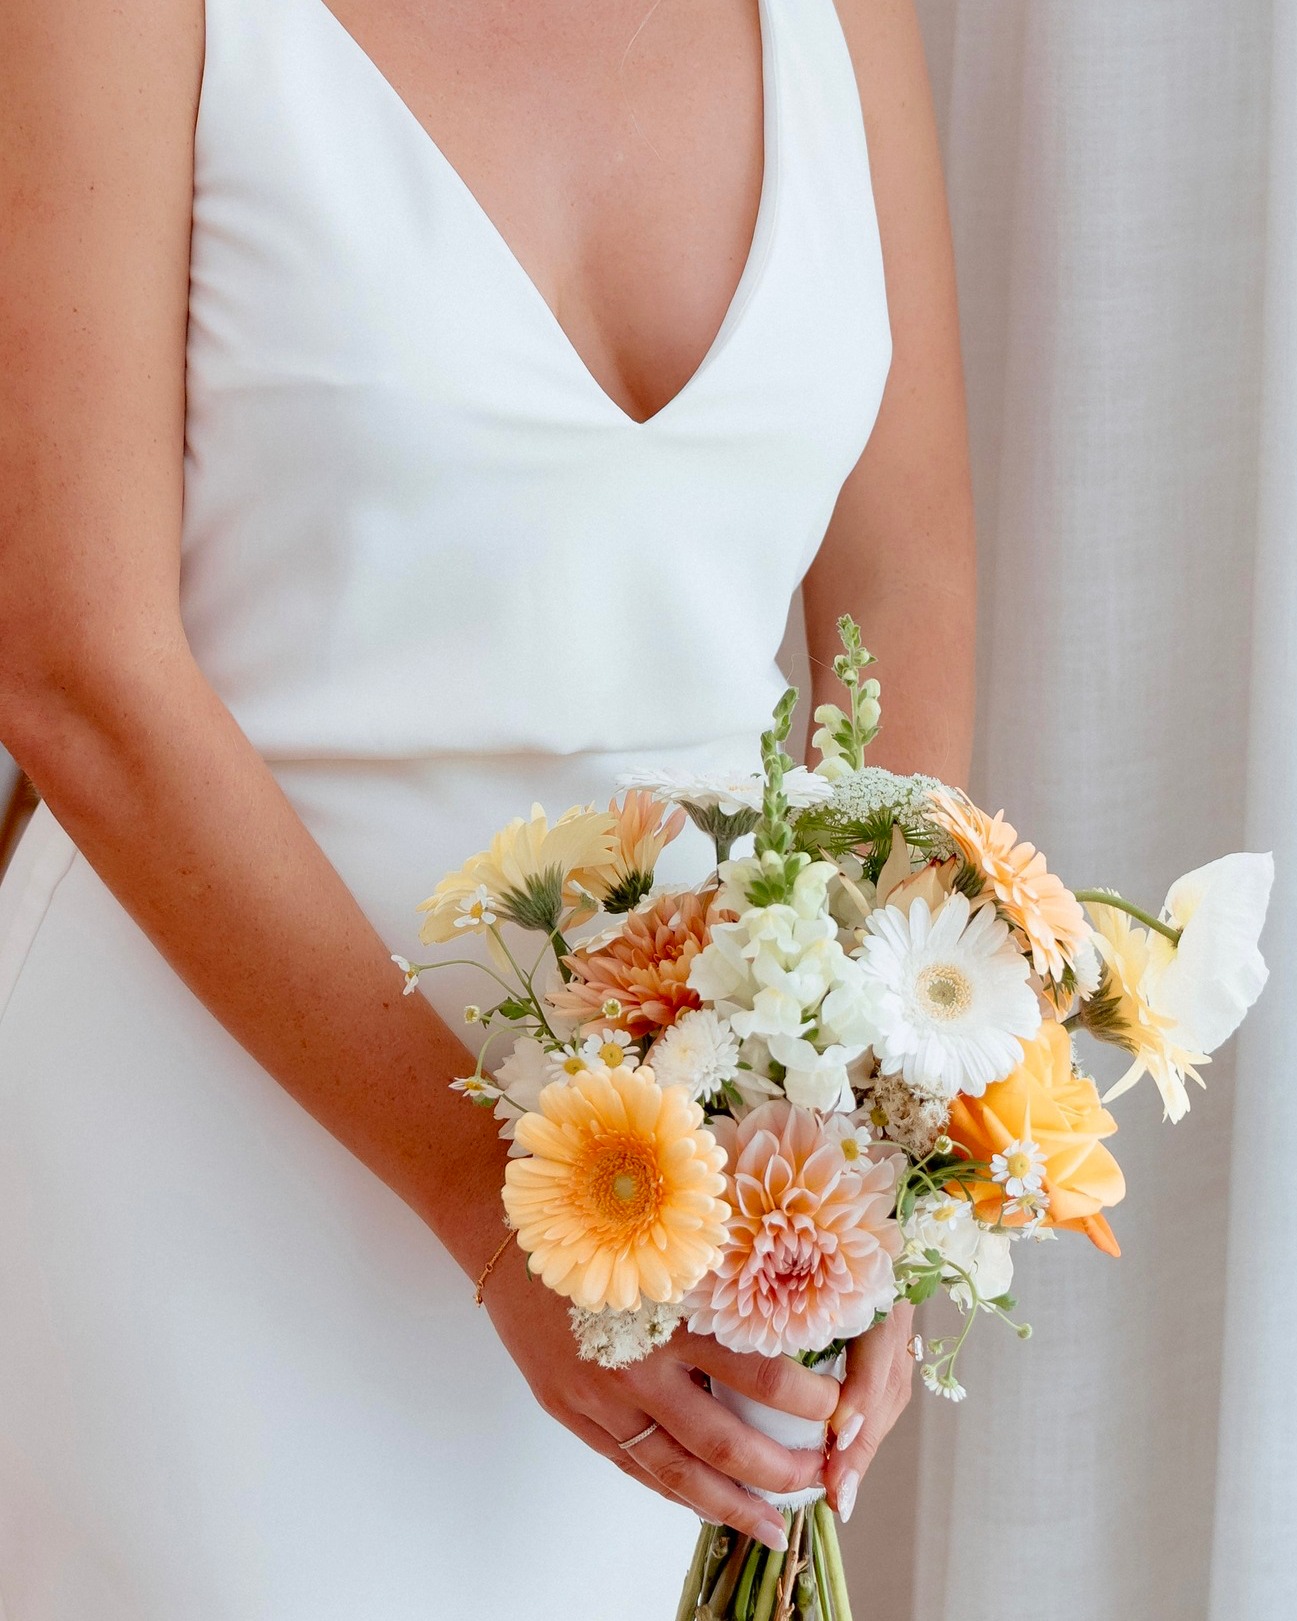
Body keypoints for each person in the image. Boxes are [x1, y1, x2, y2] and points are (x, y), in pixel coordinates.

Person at [0, 0, 976, 1612]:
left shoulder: (842, 20)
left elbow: (905, 605)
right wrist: (487, 1202)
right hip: (203, 1181)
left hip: (678, 1221)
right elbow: (73, 668)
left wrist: (878, 1148)